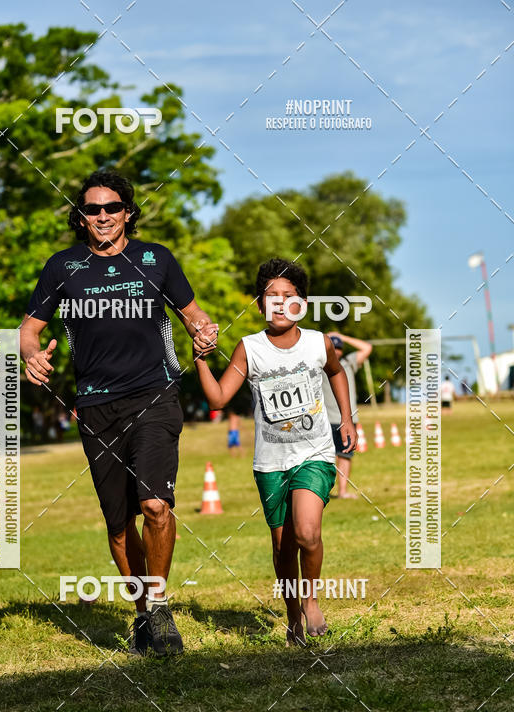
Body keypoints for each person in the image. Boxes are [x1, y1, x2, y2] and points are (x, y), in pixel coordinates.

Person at [20, 169, 216, 656]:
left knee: (155, 505)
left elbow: (196, 317)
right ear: (81, 217)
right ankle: (142, 615)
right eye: (93, 209)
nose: (103, 216)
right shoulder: (62, 268)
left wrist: (204, 333)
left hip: (154, 395)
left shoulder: (156, 260)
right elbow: (29, 328)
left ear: (128, 211)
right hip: (95, 405)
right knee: (117, 524)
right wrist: (30, 353)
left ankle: (160, 605)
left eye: (112, 207)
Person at [193, 258, 355, 645]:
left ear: (302, 302)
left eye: (289, 297)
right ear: (259, 303)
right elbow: (217, 398)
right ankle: (293, 618)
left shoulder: (318, 342)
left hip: (314, 453)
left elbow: (336, 372)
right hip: (270, 464)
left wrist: (347, 418)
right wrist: (200, 357)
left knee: (307, 532)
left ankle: (311, 600)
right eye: (271, 297)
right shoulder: (249, 349)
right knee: (283, 549)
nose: (280, 304)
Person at [321, 332, 372, 499]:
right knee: (323, 459)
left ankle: (342, 492)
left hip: (347, 420)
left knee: (345, 455)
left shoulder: (349, 363)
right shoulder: (319, 364)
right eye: (333, 347)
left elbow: (367, 347)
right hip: (324, 420)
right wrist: (324, 338)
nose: (336, 351)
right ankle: (321, 492)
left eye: (339, 348)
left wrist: (342, 337)